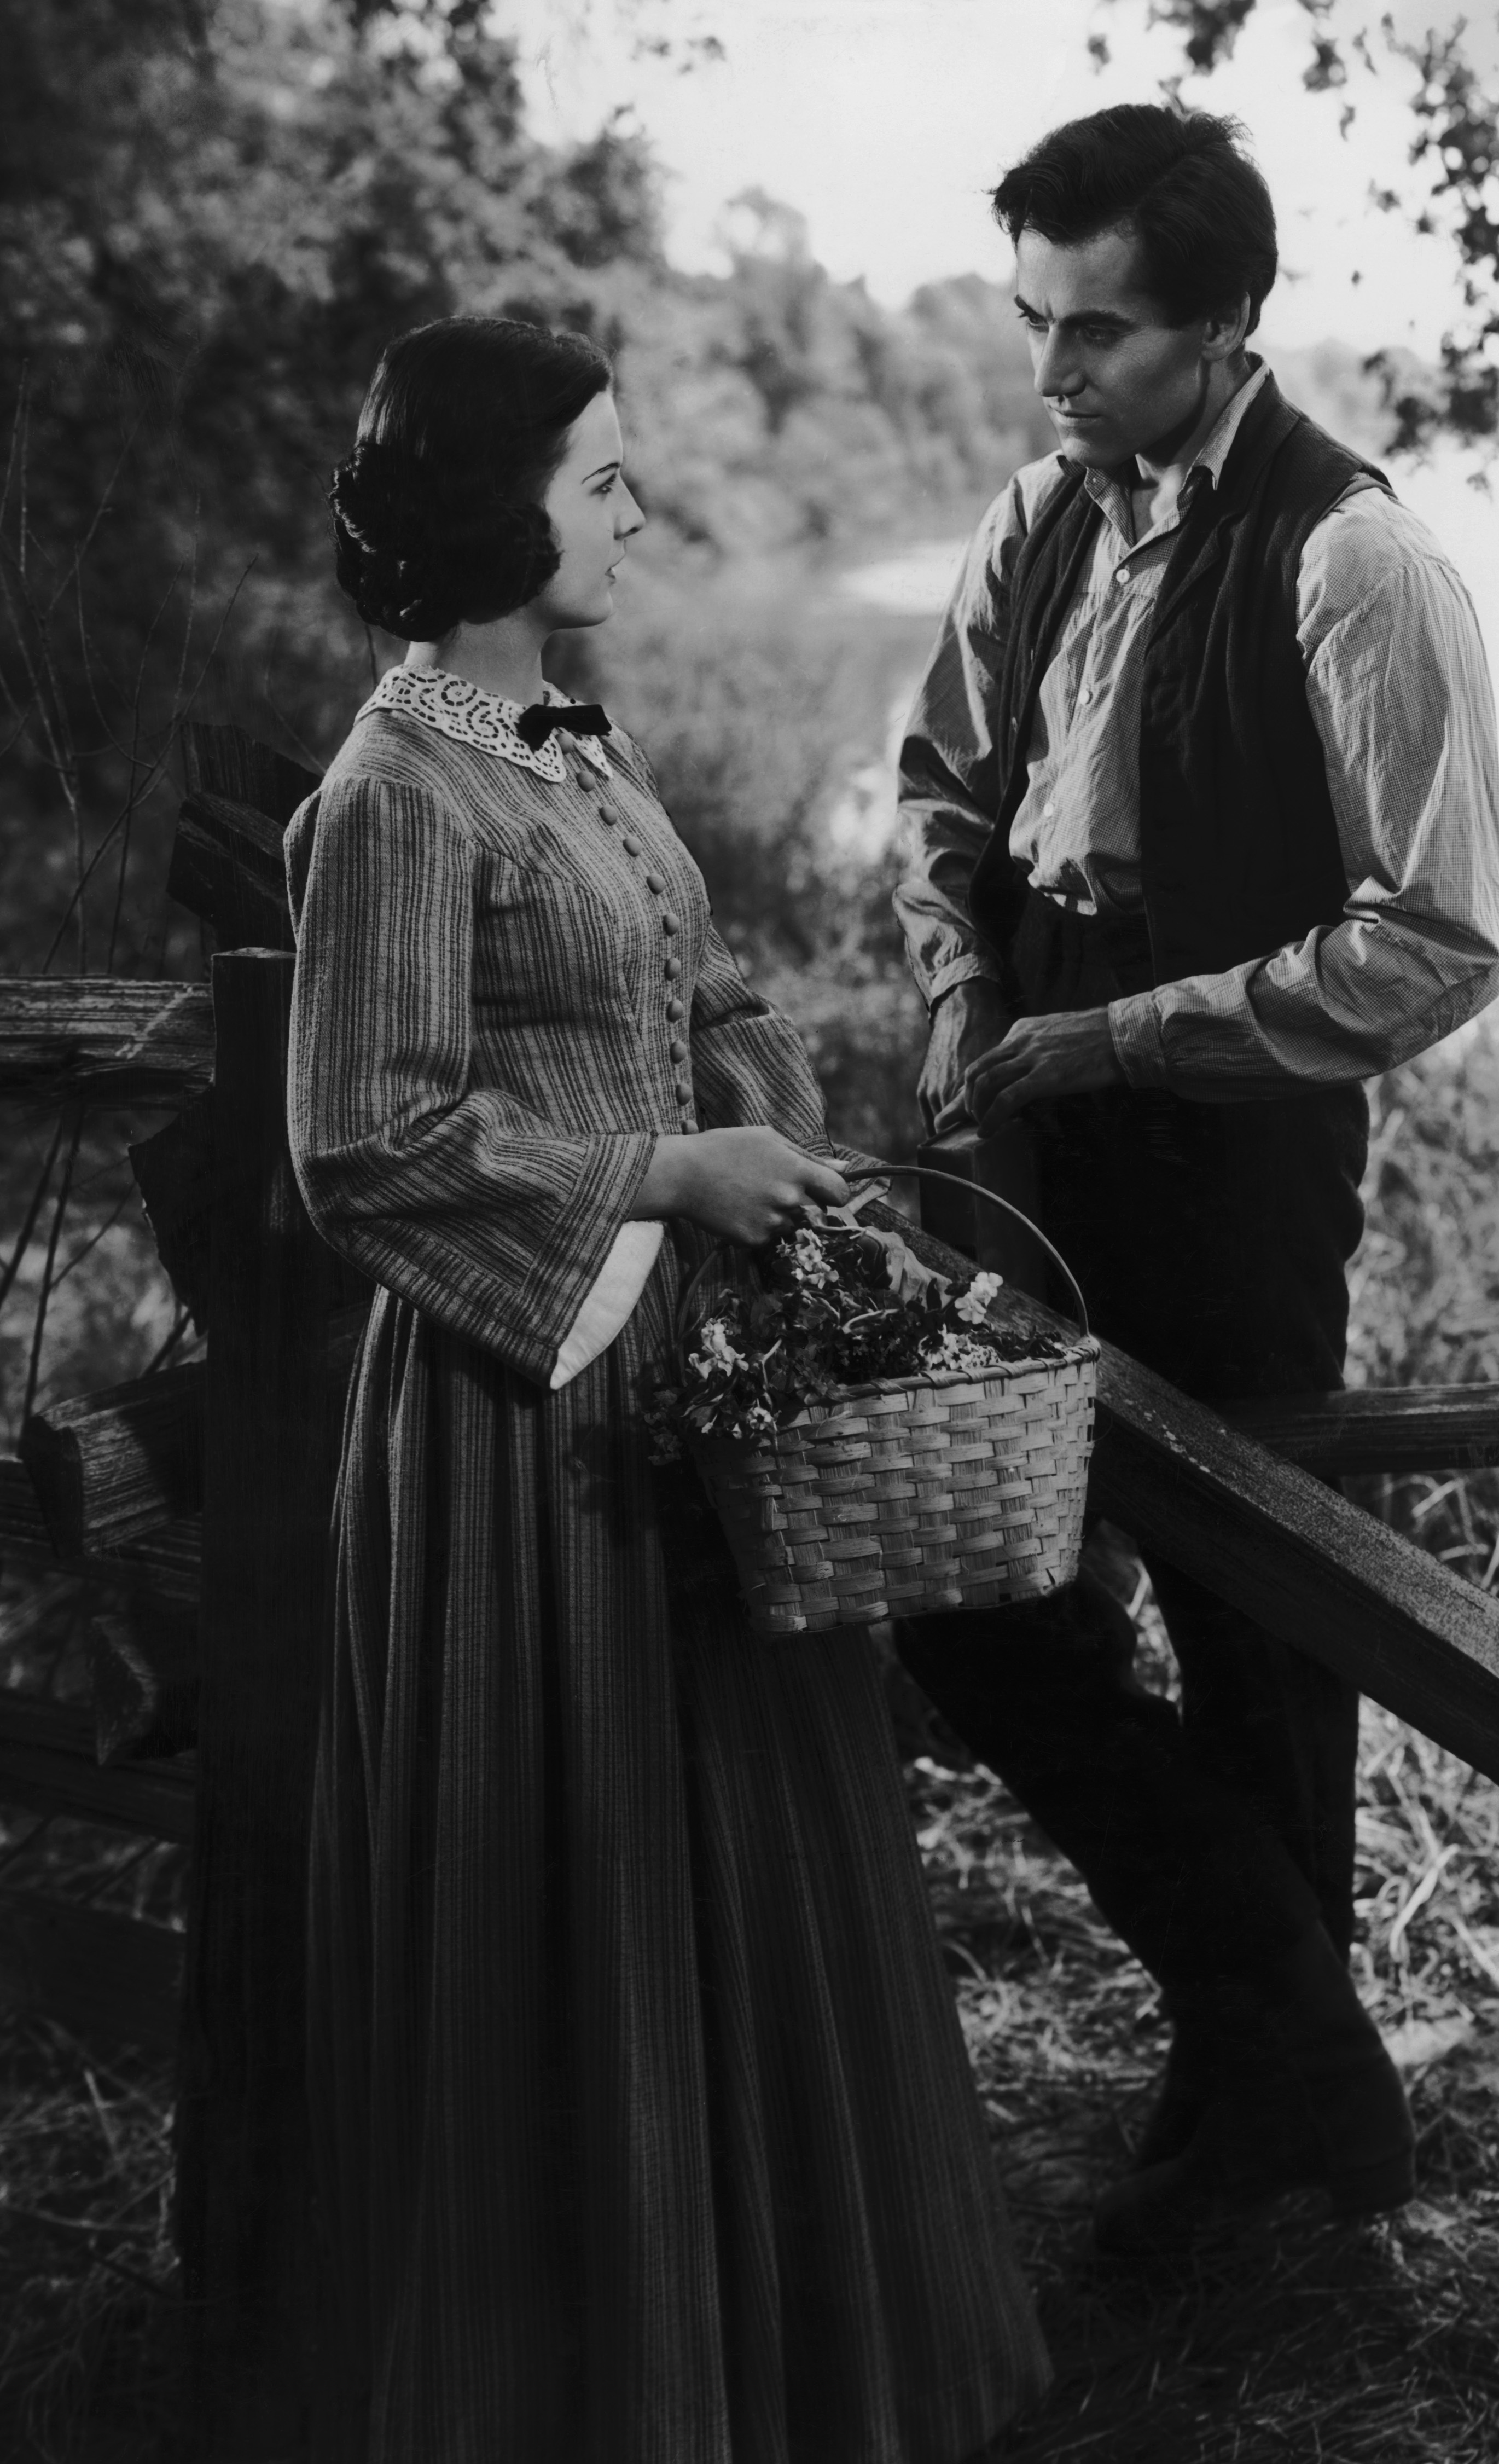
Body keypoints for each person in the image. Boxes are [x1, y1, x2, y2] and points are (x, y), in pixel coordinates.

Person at [287, 314, 1050, 2463]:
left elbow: (703, 985)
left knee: (729, 1833)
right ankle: (608, 2395)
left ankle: (766, 2366)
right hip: (514, 1427)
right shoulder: (393, 792)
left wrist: (771, 1134)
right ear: (491, 506)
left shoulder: (559, 742)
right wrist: (659, 1171)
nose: (633, 508)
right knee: (583, 1870)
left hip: (674, 1386)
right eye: (602, 478)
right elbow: (360, 1147)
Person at [891, 105, 1499, 2254]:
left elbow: (1434, 940)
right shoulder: (1035, 514)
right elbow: (933, 787)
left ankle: (1270, 2148)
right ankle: (1294, 2045)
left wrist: (1133, 1031)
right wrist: (960, 972)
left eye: (1102, 335)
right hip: (1025, 1120)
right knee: (971, 1599)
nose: (1054, 376)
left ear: (1231, 324)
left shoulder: (1359, 560)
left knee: (1259, 1638)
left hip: (1233, 1150)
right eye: (1035, 326)